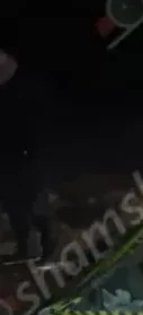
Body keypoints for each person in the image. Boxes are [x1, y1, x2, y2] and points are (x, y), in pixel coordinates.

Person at [0, 48, 54, 263]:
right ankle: (27, 246)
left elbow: (27, 124)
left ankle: (47, 243)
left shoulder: (16, 92)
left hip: (21, 153)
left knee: (30, 199)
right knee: (14, 202)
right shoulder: (14, 91)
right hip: (11, 154)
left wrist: (29, 149)